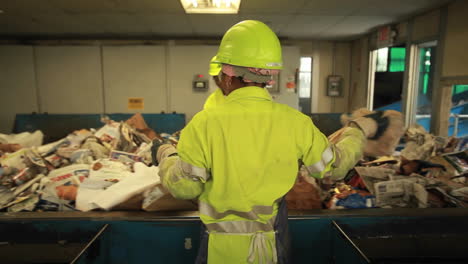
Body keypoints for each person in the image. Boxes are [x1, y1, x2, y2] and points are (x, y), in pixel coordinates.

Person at [155, 20, 393, 263]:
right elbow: (334, 166)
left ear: (227, 77)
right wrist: (356, 130)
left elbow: (185, 187)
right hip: (272, 245)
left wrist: (166, 155)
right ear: (268, 76)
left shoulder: (204, 123)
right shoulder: (295, 122)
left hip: (218, 247)